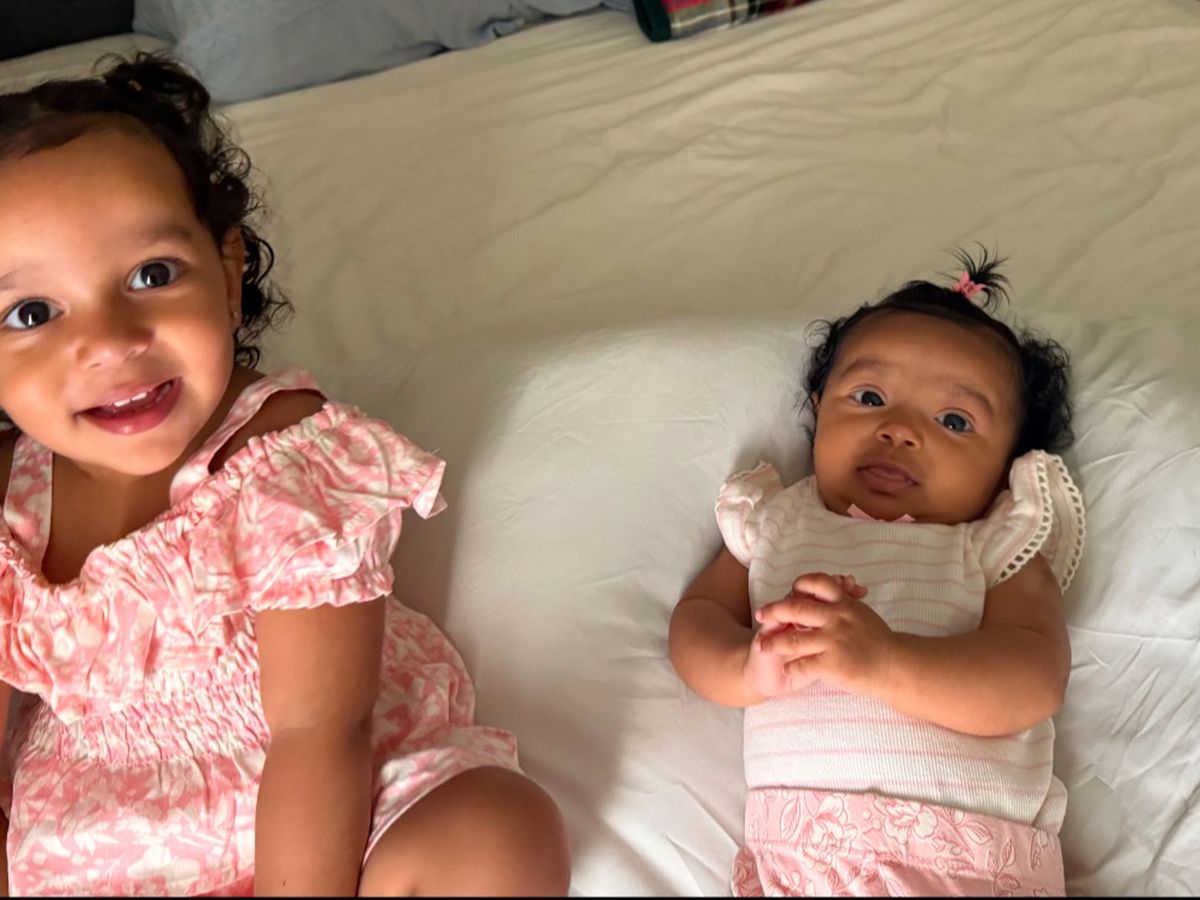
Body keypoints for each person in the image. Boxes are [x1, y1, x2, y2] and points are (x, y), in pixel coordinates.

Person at [0, 53, 570, 897]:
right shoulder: (9, 503)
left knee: (498, 833)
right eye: (31, 313)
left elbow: (320, 731)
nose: (111, 343)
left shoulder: (282, 461)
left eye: (152, 275)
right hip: (94, 848)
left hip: (330, 807)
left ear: (229, 273)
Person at [669, 250, 1085, 896]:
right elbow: (695, 623)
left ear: (1006, 462)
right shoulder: (777, 522)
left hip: (964, 866)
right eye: (869, 397)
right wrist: (745, 668)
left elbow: (1033, 679)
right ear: (819, 408)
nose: (899, 430)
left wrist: (886, 662)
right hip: (801, 863)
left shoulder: (992, 544)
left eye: (954, 421)